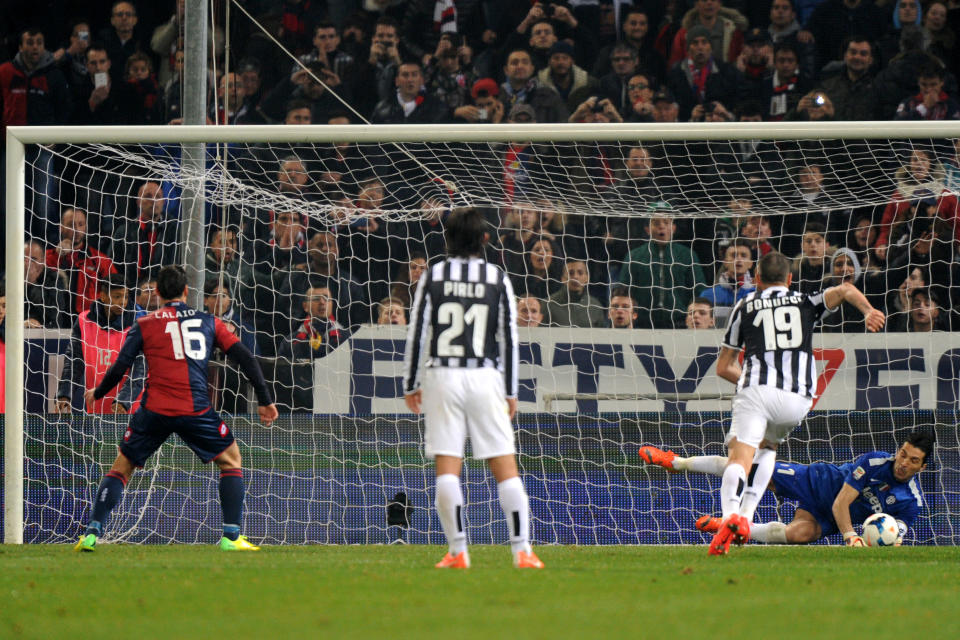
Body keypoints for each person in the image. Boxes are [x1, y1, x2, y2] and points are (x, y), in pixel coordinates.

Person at [74, 265, 278, 552]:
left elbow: (121, 366)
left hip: (154, 410)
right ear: (186, 291)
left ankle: (92, 533)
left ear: (157, 292)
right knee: (231, 460)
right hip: (195, 409)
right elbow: (245, 357)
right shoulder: (210, 321)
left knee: (122, 466)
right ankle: (231, 538)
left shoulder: (144, 324)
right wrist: (265, 399)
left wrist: (99, 392)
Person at [699, 251, 885, 555]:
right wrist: (867, 311)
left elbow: (723, 367)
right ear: (789, 279)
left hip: (757, 391)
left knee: (740, 456)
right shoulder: (805, 301)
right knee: (768, 447)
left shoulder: (744, 305)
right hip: (797, 400)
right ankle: (745, 519)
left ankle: (731, 516)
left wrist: (751, 382)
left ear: (757, 279)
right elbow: (846, 289)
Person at [402, 207, 543, 569]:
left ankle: (458, 551)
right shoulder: (496, 277)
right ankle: (522, 551)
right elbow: (509, 338)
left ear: (447, 239)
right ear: (485, 239)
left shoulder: (433, 275)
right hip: (485, 377)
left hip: (443, 376)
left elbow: (417, 332)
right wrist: (511, 391)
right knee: (505, 468)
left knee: (448, 466)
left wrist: (411, 383)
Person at [639, 430, 934, 546]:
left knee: (799, 535)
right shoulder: (873, 462)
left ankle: (730, 525)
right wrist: (851, 536)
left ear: (923, 467)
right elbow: (841, 503)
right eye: (903, 454)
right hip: (818, 481)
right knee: (749, 466)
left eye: (913, 460)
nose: (903, 463)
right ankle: (677, 462)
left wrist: (880, 543)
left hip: (828, 519)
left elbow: (897, 536)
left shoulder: (912, 503)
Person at [55, 273, 144, 415]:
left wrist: (124, 400)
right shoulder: (84, 320)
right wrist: (65, 392)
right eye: (117, 296)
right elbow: (74, 360)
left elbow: (140, 368)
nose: (123, 302)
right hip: (97, 406)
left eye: (126, 296)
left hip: (130, 408)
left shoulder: (139, 322)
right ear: (103, 296)